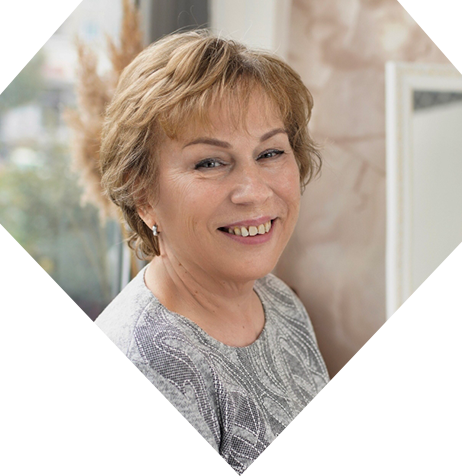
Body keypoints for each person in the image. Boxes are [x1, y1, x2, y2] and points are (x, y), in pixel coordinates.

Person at [40, 30, 368, 476]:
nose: (254, 191)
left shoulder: (276, 302)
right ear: (142, 193)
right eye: (210, 162)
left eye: (270, 152)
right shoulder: (136, 380)